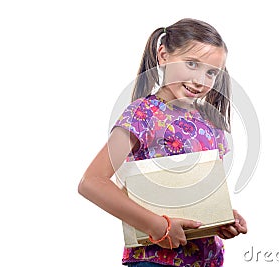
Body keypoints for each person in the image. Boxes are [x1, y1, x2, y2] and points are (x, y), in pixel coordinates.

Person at [78, 18, 247, 267]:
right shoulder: (143, 114)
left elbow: (197, 194)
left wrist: (220, 217)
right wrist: (158, 226)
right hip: (156, 259)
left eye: (211, 72)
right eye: (191, 64)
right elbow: (92, 182)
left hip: (207, 259)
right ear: (163, 55)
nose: (200, 81)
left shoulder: (211, 122)